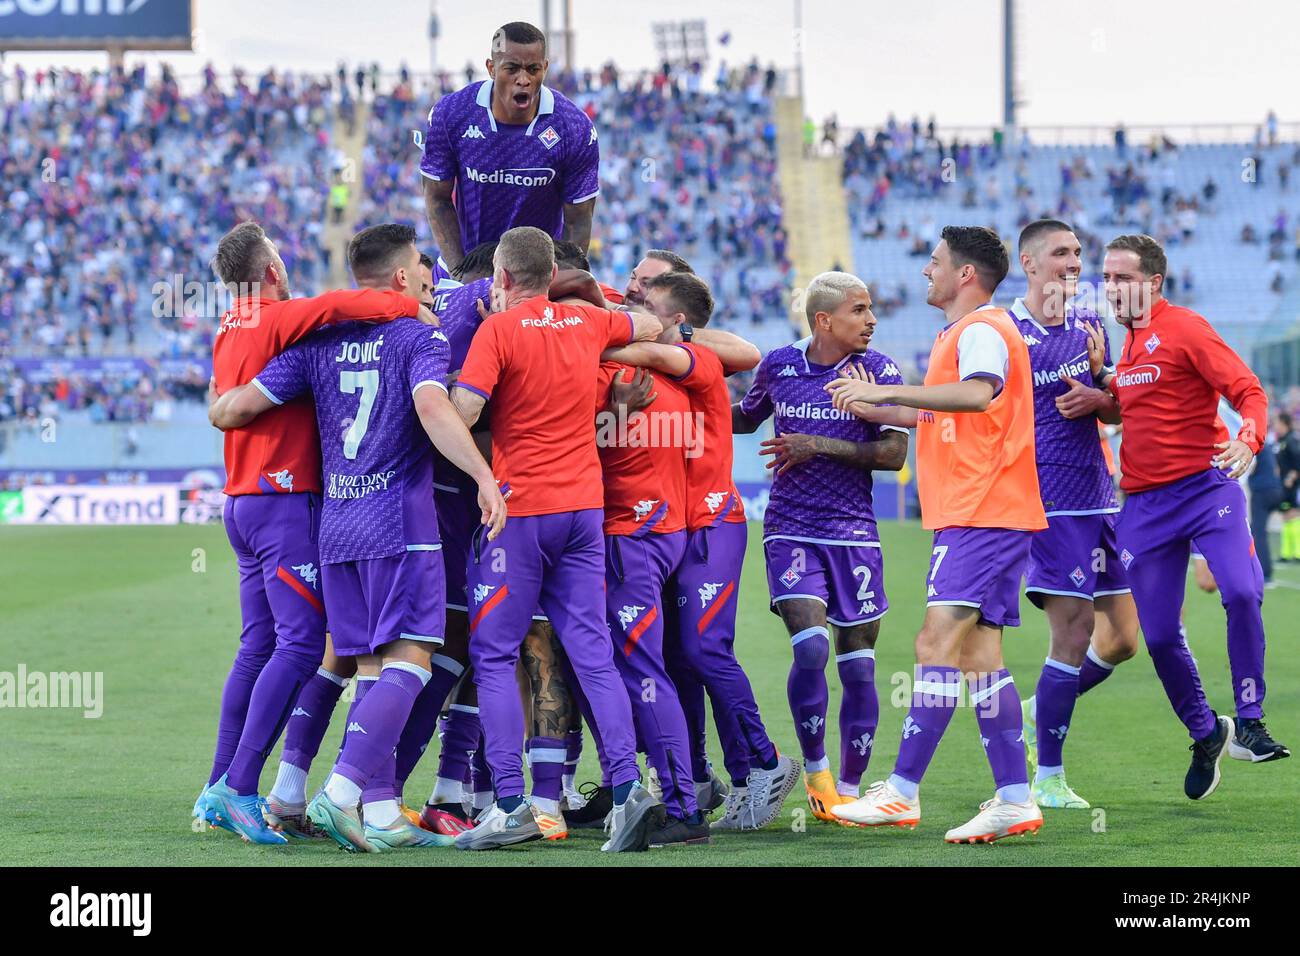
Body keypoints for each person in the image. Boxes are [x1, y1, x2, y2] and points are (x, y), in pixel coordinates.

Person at [208, 223, 506, 852]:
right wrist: (483, 474)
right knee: (415, 657)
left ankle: (351, 805)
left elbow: (235, 410)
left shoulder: (317, 340)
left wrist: (218, 400)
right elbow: (431, 408)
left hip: (335, 525)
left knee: (365, 660)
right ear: (402, 277)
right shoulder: (417, 334)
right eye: (422, 269)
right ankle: (340, 794)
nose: (430, 278)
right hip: (399, 523)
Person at [824, 225, 1048, 843]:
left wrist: (887, 387)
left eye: (936, 261)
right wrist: (879, 408)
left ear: (965, 275)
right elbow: (944, 413)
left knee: (934, 644)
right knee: (980, 658)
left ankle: (900, 791)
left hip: (981, 513)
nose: (927, 270)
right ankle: (1014, 798)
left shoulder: (981, 330)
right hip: (995, 514)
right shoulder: (967, 332)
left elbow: (978, 396)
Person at [449, 226, 663, 851]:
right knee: (592, 652)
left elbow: (461, 413)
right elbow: (647, 329)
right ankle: (627, 790)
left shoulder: (498, 329)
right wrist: (596, 304)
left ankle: (511, 805)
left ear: (503, 279)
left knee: (492, 653)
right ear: (551, 275)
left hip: (519, 514)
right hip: (583, 512)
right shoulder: (588, 324)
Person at [1094, 234, 1289, 794]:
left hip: (1208, 490)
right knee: (1156, 636)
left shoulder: (1186, 327)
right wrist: (1100, 392)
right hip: (1146, 508)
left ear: (1153, 282)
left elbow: (1248, 391)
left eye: (1122, 277)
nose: (1111, 287)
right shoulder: (1123, 346)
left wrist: (1249, 439)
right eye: (1106, 278)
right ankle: (1206, 733)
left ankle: (1250, 722)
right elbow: (1136, 403)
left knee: (1243, 591)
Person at [617, 270, 799, 833]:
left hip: (711, 524)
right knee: (678, 658)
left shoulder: (699, 361)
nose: (634, 301)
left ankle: (767, 762)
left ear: (676, 320)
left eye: (645, 297)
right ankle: (701, 777)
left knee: (703, 650)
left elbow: (721, 351)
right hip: (671, 528)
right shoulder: (650, 363)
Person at [734, 271, 908, 824]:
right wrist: (687, 388)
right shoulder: (780, 364)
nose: (872, 319)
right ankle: (818, 774)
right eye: (860, 309)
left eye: (871, 307)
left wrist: (819, 445)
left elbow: (893, 454)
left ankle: (852, 791)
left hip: (854, 531)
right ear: (824, 320)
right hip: (790, 526)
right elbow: (742, 418)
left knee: (858, 666)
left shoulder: (879, 372)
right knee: (811, 647)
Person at [1007, 220, 1140, 809]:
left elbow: (1112, 406)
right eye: (1061, 253)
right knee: (1075, 631)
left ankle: (1041, 706)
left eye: (1078, 253)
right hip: (1050, 504)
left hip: (1101, 496)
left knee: (1123, 640)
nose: (1074, 263)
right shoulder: (1005, 332)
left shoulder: (1091, 325)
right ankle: (1049, 779)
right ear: (1029, 264)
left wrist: (1100, 398)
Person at [421, 21, 599, 280]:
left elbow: (579, 220)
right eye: (512, 69)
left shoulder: (574, 127)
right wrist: (460, 271)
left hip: (536, 276)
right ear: (491, 68)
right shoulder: (452, 113)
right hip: (465, 264)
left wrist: (559, 280)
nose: (523, 79)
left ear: (545, 68)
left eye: (533, 69)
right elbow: (436, 198)